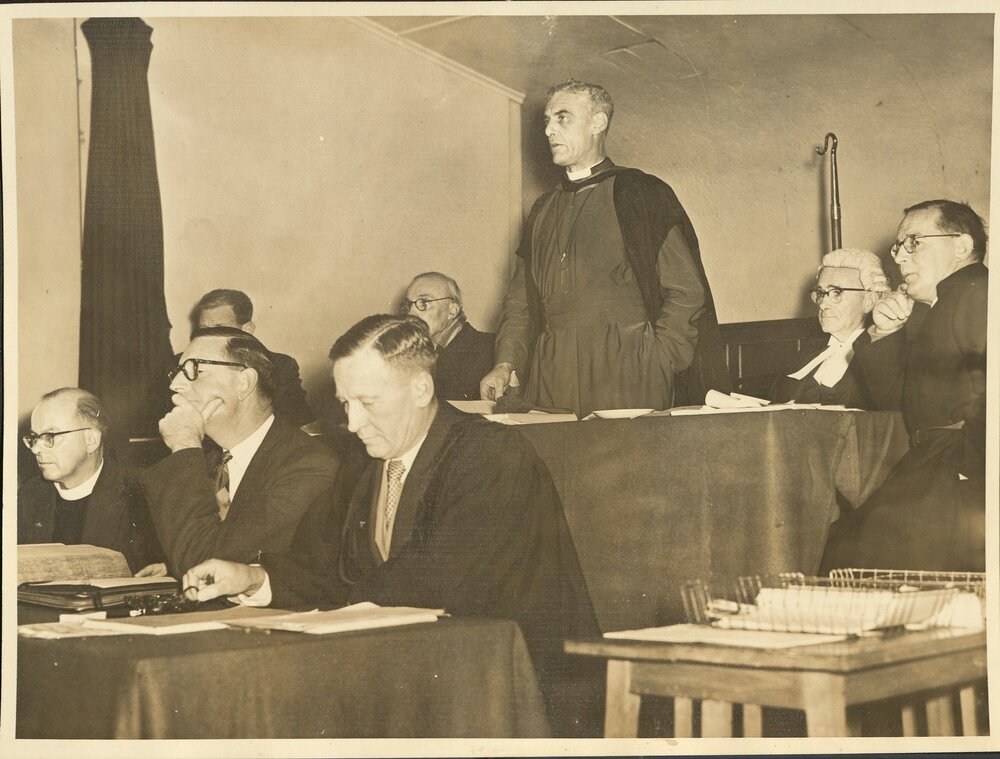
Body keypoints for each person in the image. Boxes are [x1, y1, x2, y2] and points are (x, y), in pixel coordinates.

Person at [183, 315, 600, 735]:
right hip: (418, 674)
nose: (353, 423)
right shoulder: (363, 464)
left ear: (421, 389)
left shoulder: (491, 454)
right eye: (346, 404)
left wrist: (335, 607)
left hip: (516, 692)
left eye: (369, 402)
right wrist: (254, 578)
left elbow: (439, 579)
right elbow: (324, 563)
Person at [480, 79, 728, 417]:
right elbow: (520, 301)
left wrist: (659, 359)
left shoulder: (641, 192)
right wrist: (505, 363)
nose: (549, 130)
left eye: (562, 117)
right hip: (552, 370)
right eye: (547, 120)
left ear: (598, 123)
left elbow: (687, 290)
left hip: (629, 368)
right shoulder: (541, 209)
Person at [821, 200, 988, 572]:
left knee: (853, 554)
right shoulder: (944, 304)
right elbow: (903, 401)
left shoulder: (978, 293)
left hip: (960, 471)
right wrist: (886, 333)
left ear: (961, 246)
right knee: (847, 547)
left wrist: (971, 473)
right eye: (898, 246)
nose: (899, 257)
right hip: (939, 461)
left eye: (914, 242)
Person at [141, 326, 339, 577]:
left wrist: (184, 443)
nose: (175, 385)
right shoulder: (207, 461)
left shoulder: (308, 466)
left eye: (195, 370)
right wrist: (172, 568)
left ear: (244, 383)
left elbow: (208, 567)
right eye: (176, 372)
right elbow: (215, 544)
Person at [18, 388, 160, 572]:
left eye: (50, 436)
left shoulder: (143, 492)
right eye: (34, 438)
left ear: (91, 440)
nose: (36, 449)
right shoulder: (29, 496)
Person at [770, 248, 890, 407]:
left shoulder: (884, 360)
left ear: (869, 301)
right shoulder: (805, 353)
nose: (823, 304)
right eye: (820, 293)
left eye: (836, 293)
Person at [186, 289, 315, 426]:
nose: (208, 336)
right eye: (203, 328)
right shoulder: (183, 366)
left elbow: (299, 421)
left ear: (247, 330)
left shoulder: (280, 366)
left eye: (220, 328)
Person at [403, 272, 494, 400]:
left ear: (452, 311)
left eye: (424, 302)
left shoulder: (491, 350)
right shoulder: (415, 352)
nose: (411, 313)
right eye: (408, 305)